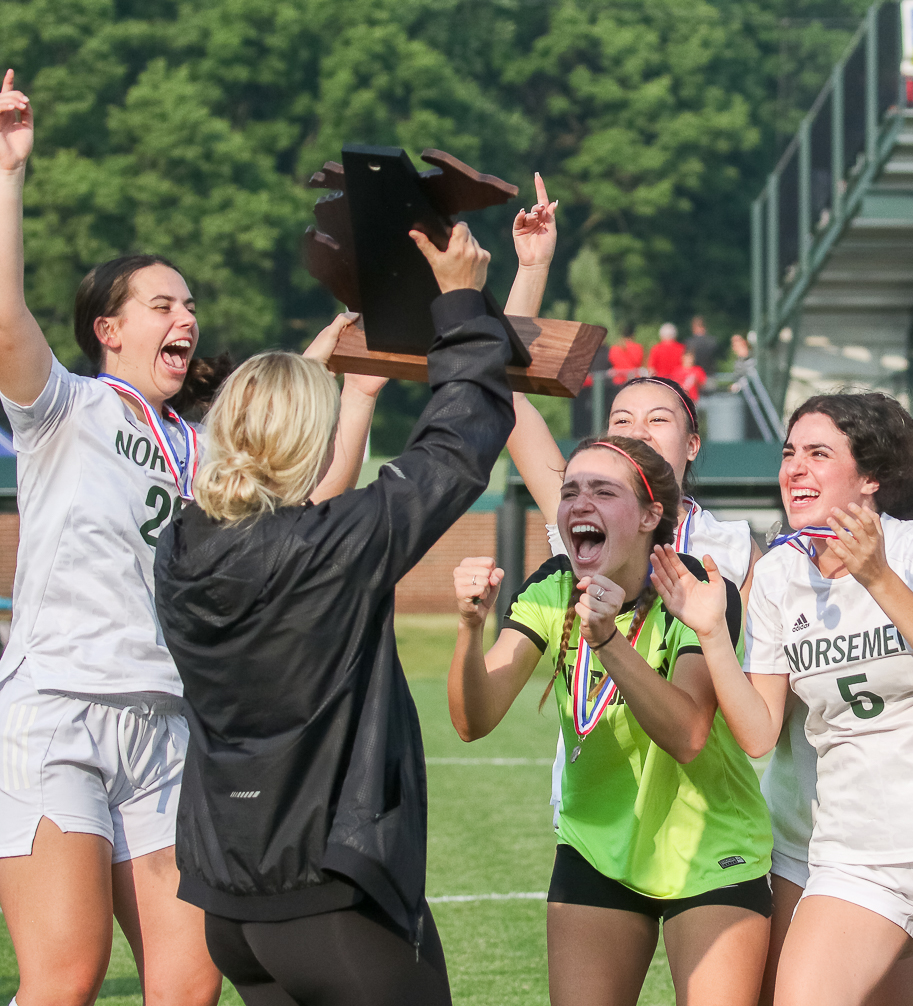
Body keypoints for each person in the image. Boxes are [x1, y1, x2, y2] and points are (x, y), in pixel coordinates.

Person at [0, 69, 382, 1006]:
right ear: (108, 328)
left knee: (188, 985)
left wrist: (354, 363)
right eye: (163, 304)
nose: (187, 317)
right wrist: (9, 175)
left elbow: (311, 487)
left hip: (172, 725)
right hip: (60, 711)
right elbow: (5, 321)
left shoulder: (206, 447)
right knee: (67, 977)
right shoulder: (66, 409)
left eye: (190, 304)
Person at [153, 220, 512, 1006]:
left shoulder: (179, 546)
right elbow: (457, 446)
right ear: (307, 439)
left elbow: (261, 475)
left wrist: (306, 380)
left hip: (232, 904)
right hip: (333, 897)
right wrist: (460, 304)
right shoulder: (332, 546)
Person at [657, 392, 913, 1006]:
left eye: (818, 454)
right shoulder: (779, 574)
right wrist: (711, 634)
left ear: (870, 478)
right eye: (789, 454)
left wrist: (878, 576)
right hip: (854, 849)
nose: (795, 469)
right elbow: (758, 734)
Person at [450, 435, 772, 1006]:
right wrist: (470, 629)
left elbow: (688, 735)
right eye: (570, 491)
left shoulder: (696, 590)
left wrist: (607, 642)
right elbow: (474, 720)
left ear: (650, 515)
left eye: (603, 491)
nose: (580, 503)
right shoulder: (553, 587)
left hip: (710, 851)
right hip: (596, 849)